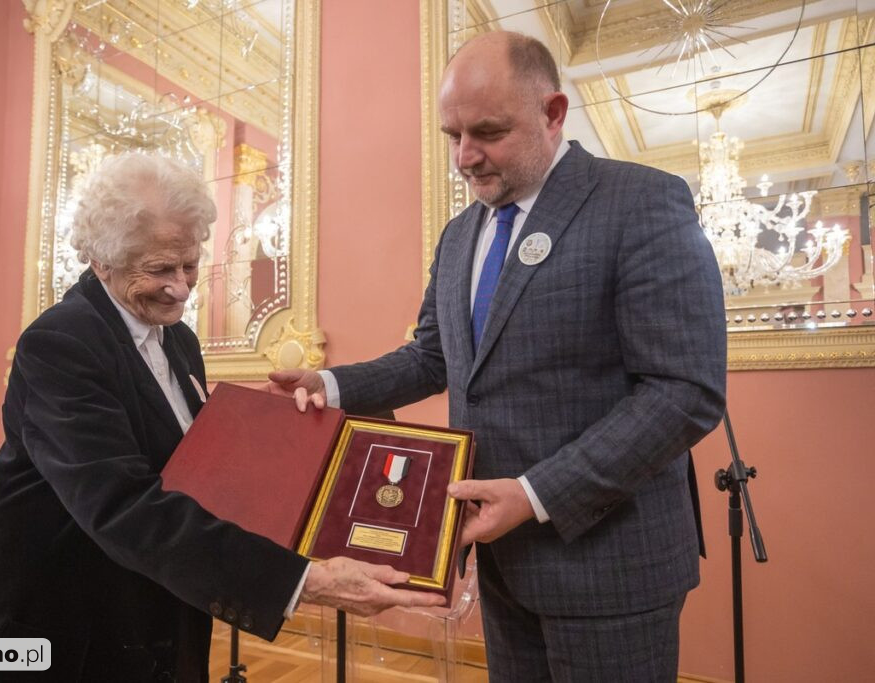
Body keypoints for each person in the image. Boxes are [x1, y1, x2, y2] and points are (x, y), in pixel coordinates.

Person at [268, 31, 727, 681]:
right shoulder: (460, 235)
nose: (465, 156)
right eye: (452, 135)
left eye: (487, 132)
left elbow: (684, 391)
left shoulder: (640, 201)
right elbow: (433, 356)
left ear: (553, 113)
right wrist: (331, 384)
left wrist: (536, 493)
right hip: (502, 563)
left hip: (610, 566)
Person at [0, 153, 443, 682]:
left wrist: (267, 427)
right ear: (102, 261)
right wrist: (305, 582)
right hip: (64, 633)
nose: (183, 288)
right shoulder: (61, 342)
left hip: (160, 621)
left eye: (189, 264)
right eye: (160, 269)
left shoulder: (178, 339)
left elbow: (192, 465)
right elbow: (122, 506)